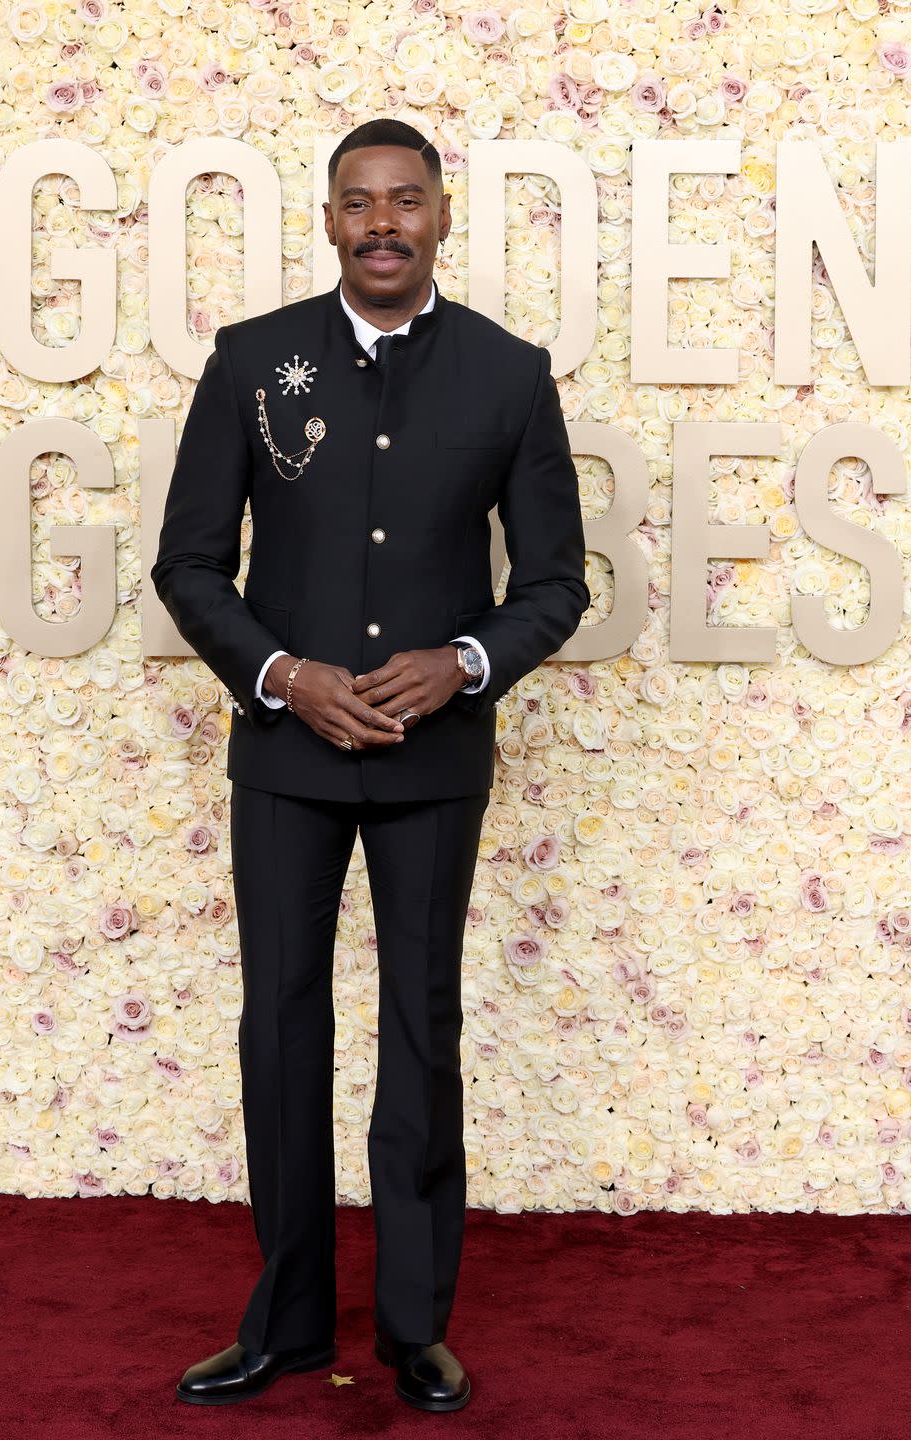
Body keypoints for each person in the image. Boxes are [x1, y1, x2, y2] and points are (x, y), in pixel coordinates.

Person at [151, 117, 589, 1414]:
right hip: (283, 758)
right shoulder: (251, 362)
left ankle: (412, 1328)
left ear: (443, 217)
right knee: (279, 1029)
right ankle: (284, 1323)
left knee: (421, 1029)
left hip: (435, 765)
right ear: (328, 220)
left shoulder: (512, 377)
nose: (383, 223)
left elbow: (558, 584)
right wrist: (282, 675)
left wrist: (466, 658)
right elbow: (186, 564)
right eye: (359, 203)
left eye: (407, 201)